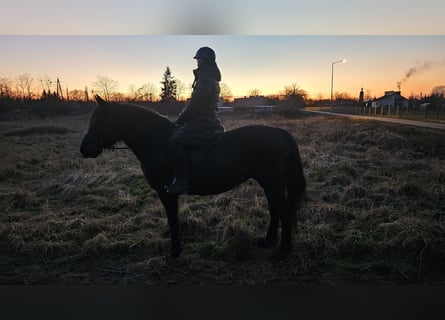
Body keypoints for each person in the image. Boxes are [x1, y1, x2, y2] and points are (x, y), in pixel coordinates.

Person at [165, 46, 225, 194]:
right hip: (208, 121)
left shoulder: (205, 79)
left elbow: (194, 106)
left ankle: (181, 181)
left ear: (202, 60)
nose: (197, 62)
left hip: (203, 123)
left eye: (198, 59)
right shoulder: (209, 77)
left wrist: (180, 119)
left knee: (175, 141)